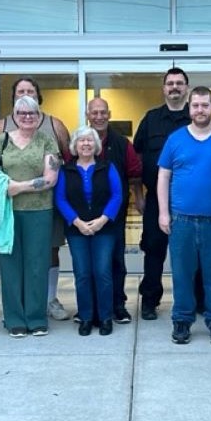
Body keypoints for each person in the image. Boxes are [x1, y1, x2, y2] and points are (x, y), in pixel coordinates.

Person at [158, 86, 211, 346]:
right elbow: (163, 176)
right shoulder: (175, 139)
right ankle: (182, 321)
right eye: (195, 105)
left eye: (205, 105)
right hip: (181, 220)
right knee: (182, 273)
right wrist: (163, 212)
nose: (200, 110)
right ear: (189, 108)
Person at [0, 77, 71, 321]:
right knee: (11, 264)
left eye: (31, 112)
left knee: (38, 263)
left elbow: (51, 177)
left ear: (38, 110)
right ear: (14, 113)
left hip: (40, 210)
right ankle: (14, 318)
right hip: (8, 211)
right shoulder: (2, 137)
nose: (27, 116)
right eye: (21, 112)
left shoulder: (48, 137)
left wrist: (15, 187)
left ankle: (36, 317)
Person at [133, 67, 192, 320]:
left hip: (190, 199)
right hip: (156, 198)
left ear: (187, 88)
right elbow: (136, 160)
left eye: (179, 83)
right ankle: (149, 300)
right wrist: (138, 194)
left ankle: (193, 300)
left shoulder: (198, 117)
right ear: (164, 89)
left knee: (190, 252)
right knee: (154, 249)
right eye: (170, 83)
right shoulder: (151, 119)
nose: (175, 87)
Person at [55, 126, 122, 336]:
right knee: (82, 274)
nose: (86, 144)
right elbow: (60, 199)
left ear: (96, 145)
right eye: (81, 140)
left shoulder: (107, 167)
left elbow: (117, 195)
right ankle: (85, 317)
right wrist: (77, 223)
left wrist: (102, 220)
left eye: (90, 140)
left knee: (102, 273)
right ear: (75, 145)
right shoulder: (66, 170)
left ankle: (105, 317)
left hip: (105, 228)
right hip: (77, 230)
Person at [86, 97, 142, 324]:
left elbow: (135, 173)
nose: (99, 117)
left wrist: (139, 198)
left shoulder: (122, 143)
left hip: (114, 213)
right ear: (88, 116)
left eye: (103, 112)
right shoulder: (80, 140)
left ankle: (118, 305)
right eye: (94, 112)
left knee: (116, 260)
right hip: (85, 213)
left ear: (109, 114)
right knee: (88, 264)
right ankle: (90, 309)